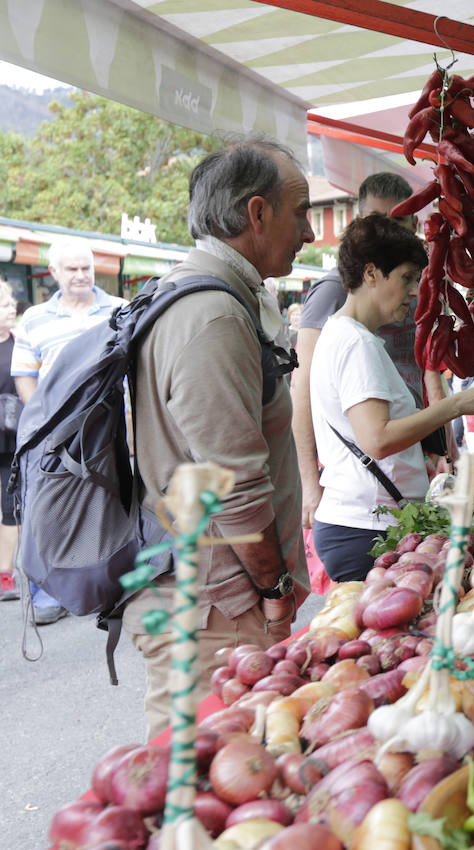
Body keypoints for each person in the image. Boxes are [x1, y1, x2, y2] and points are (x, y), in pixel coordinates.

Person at [124, 139, 314, 738]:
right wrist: (275, 587)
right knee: (208, 783)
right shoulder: (214, 317)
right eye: (301, 211)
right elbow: (233, 486)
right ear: (257, 214)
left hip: (210, 598)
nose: (308, 231)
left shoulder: (202, 295)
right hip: (220, 608)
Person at [310, 215, 474, 582]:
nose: (414, 292)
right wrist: (455, 406)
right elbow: (377, 439)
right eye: (407, 277)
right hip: (364, 529)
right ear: (372, 274)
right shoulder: (356, 343)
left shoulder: (348, 335)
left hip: (364, 522)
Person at [291, 172, 448, 529]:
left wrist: (442, 448)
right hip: (362, 485)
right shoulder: (334, 293)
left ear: (413, 224)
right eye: (377, 223)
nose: (387, 233)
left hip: (407, 463)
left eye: (397, 223)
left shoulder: (416, 286)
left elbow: (429, 372)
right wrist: (309, 484)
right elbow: (304, 389)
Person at [11, 238, 128, 624]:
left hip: (115, 430)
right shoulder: (34, 319)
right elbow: (25, 377)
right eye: (71, 269)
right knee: (48, 512)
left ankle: (115, 582)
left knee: (116, 504)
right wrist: (46, 426)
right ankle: (48, 593)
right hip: (56, 436)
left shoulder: (120, 310)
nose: (80, 275)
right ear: (54, 272)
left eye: (86, 268)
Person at [0, 286, 20, 600]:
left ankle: (5, 575)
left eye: (11, 301)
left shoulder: (22, 341)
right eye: (4, 304)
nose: (11, 307)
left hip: (11, 437)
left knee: (9, 508)